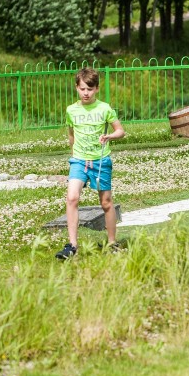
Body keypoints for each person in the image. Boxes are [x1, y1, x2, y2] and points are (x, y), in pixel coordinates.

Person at [56, 67, 126, 260]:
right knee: (72, 198)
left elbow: (121, 131)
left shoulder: (104, 109)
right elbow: (71, 135)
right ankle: (72, 246)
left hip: (101, 160)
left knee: (106, 203)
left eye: (90, 89)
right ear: (76, 88)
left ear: (96, 89)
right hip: (78, 160)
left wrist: (110, 136)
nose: (86, 93)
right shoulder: (71, 110)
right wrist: (73, 158)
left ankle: (112, 243)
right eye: (82, 89)